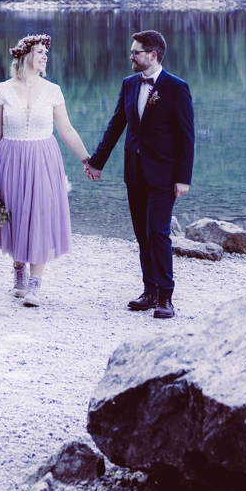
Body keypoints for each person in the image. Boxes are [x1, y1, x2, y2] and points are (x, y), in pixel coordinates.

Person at [84, 29, 194, 319]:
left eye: (136, 52)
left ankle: (166, 297)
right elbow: (117, 124)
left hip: (164, 175)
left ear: (152, 55)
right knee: (142, 235)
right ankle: (149, 292)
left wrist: (183, 178)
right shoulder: (129, 83)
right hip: (135, 173)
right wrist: (97, 162)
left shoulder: (176, 87)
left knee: (158, 232)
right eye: (132, 52)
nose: (131, 56)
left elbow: (186, 137)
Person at [0, 32, 91, 307]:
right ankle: (18, 268)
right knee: (14, 215)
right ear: (25, 54)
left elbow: (66, 129)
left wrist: (88, 160)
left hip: (44, 159)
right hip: (10, 158)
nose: (44, 57)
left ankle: (35, 285)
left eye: (46, 53)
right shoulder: (2, 90)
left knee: (41, 214)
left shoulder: (53, 91)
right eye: (40, 51)